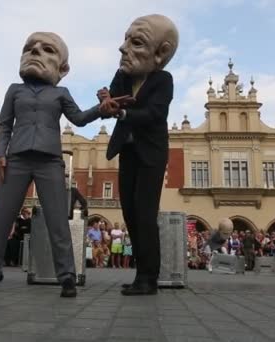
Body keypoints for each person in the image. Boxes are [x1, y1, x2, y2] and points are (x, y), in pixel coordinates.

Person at [0, 32, 111, 298]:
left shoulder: (60, 93)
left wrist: (101, 108)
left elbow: (78, 119)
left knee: (58, 221)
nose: (34, 52)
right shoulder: (14, 90)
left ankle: (67, 277)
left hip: (49, 162)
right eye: (29, 48)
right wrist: (1, 153)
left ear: (62, 68)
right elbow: (4, 124)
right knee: (1, 220)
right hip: (17, 160)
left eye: (45, 49)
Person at [97, 14, 179, 296]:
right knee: (131, 214)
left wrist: (120, 111)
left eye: (136, 42)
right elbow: (114, 102)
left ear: (161, 53)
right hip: (128, 151)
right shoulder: (123, 76)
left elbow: (154, 113)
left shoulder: (163, 80)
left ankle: (148, 278)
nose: (123, 48)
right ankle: (140, 275)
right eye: (125, 40)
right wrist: (106, 100)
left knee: (145, 214)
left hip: (151, 155)